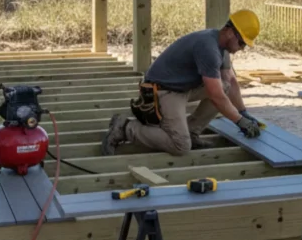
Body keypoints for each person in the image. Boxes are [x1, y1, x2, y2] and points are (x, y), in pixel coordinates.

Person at [101, 9, 263, 157]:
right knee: (180, 146)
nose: (242, 48)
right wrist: (239, 121)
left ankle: (192, 133)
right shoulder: (208, 48)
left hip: (182, 87)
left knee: (224, 86)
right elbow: (216, 96)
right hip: (162, 90)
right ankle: (125, 128)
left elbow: (229, 80)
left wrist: (243, 112)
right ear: (230, 32)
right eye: (242, 43)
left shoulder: (221, 47)